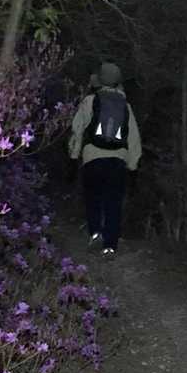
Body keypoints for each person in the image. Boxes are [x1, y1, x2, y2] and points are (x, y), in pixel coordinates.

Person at [68, 60, 141, 258]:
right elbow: (134, 138)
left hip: (92, 157)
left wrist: (74, 155)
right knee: (113, 202)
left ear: (99, 80)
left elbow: (77, 129)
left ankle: (95, 233)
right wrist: (133, 164)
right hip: (118, 160)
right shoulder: (126, 106)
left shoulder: (90, 101)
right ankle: (110, 246)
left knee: (93, 198)